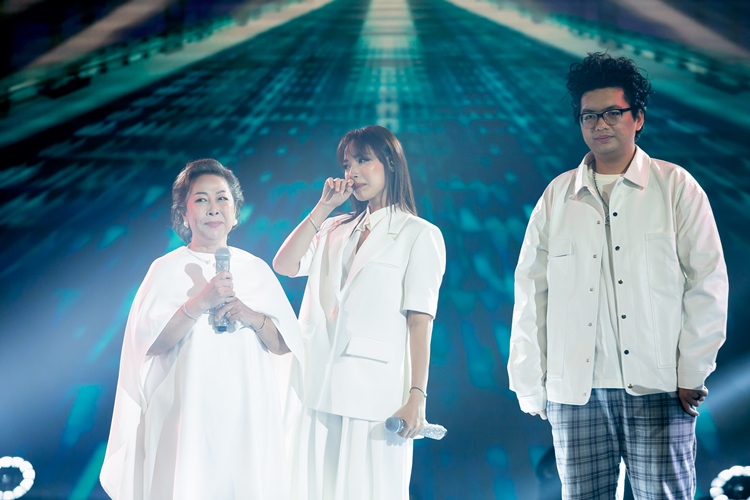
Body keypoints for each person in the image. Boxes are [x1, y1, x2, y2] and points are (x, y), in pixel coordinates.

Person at [508, 52, 729, 499]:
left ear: (638, 118)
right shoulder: (557, 196)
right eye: (589, 115)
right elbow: (531, 292)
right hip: (575, 391)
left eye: (613, 112)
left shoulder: (676, 186)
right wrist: (530, 380)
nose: (600, 124)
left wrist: (693, 369)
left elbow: (707, 283)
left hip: (659, 386)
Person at [99, 158, 303, 499]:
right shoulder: (166, 269)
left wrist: (251, 316)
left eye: (222, 198)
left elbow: (285, 345)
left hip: (247, 410)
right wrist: (199, 303)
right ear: (184, 213)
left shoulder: (255, 269)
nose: (213, 208)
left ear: (235, 212)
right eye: (201, 199)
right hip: (185, 412)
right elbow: (149, 344)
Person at [273, 125, 446, 500]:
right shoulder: (333, 227)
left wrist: (417, 395)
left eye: (364, 160)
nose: (352, 172)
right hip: (314, 386)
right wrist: (323, 208)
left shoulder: (419, 234)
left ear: (391, 163)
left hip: (373, 396)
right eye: (347, 164)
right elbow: (284, 264)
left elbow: (420, 321)